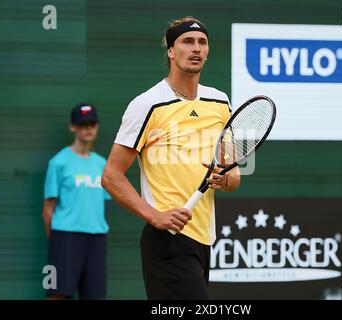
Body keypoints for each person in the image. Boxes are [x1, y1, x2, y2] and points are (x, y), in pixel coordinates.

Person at [102, 17, 240, 300]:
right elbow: (111, 176)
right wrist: (154, 216)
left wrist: (225, 179)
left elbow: (234, 176)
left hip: (205, 240)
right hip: (167, 241)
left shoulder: (220, 102)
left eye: (202, 42)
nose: (196, 49)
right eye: (187, 42)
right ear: (170, 51)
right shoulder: (147, 104)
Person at [42, 103, 111, 300]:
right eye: (82, 124)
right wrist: (56, 243)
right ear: (73, 127)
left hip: (96, 238)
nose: (88, 129)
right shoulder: (58, 162)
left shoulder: (102, 164)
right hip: (65, 237)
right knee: (57, 294)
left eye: (92, 124)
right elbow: (48, 209)